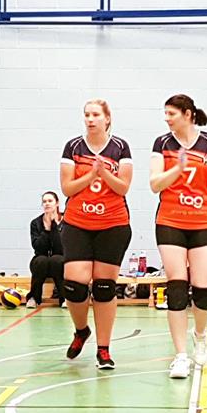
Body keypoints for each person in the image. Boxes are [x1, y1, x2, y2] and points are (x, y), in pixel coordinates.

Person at [149, 94, 207, 379]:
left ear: (188, 114)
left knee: (204, 289)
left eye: (171, 113)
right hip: (170, 220)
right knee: (177, 287)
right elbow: (155, 184)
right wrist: (177, 169)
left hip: (203, 220)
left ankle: (200, 334)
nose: (167, 118)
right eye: (165, 113)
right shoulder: (162, 143)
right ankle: (181, 355)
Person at [59, 99, 133, 370]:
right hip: (78, 222)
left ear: (107, 119)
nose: (90, 119)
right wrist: (91, 175)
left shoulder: (120, 147)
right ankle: (81, 330)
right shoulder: (73, 147)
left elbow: (123, 187)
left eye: (95, 115)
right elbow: (67, 188)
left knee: (104, 288)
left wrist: (104, 173)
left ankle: (104, 349)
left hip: (112, 224)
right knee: (75, 285)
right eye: (87, 115)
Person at [28, 191, 65, 308]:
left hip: (59, 260)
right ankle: (34, 297)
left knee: (57, 260)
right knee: (41, 261)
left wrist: (55, 227)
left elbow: (61, 248)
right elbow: (38, 247)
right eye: (44, 201)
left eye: (50, 201)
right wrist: (47, 229)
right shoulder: (35, 223)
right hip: (41, 259)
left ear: (57, 203)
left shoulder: (66, 221)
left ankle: (64, 298)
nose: (47, 203)